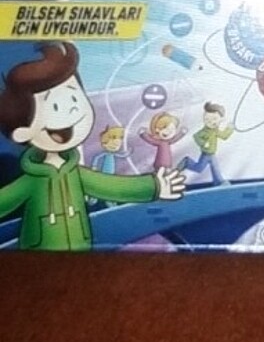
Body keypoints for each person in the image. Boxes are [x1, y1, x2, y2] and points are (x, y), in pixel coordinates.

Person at [0, 42, 185, 251]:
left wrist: (154, 187)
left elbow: (110, 185)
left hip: (83, 250)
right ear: (22, 132)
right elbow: (6, 200)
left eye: (74, 98)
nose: (73, 111)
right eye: (56, 106)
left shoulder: (76, 173)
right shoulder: (32, 180)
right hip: (37, 255)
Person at [179, 102, 232, 185]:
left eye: (214, 119)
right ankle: (187, 162)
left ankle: (219, 182)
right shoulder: (205, 131)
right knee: (199, 168)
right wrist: (203, 143)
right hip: (206, 154)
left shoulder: (215, 131)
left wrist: (230, 128)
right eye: (207, 119)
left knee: (215, 168)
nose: (210, 122)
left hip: (211, 153)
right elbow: (196, 136)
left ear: (221, 119)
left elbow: (224, 136)